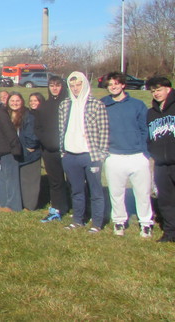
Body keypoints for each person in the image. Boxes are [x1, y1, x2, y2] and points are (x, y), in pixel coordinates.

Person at [101, 72, 154, 238]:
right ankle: (119, 221)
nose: (113, 87)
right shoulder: (103, 104)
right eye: (110, 84)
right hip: (114, 156)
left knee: (143, 192)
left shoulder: (137, 105)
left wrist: (145, 152)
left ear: (123, 85)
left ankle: (146, 223)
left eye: (116, 83)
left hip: (137, 155)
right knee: (116, 193)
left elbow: (145, 128)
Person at [58, 71, 109, 233]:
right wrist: (63, 152)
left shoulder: (96, 104)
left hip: (90, 155)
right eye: (72, 85)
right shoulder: (65, 105)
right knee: (77, 190)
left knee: (96, 191)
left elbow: (104, 131)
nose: (75, 88)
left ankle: (97, 223)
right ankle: (78, 220)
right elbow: (61, 130)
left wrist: (100, 155)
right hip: (70, 156)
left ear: (85, 84)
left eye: (78, 85)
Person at [35, 75, 69, 223]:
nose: (55, 88)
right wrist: (47, 143)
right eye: (52, 85)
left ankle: (77, 207)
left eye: (58, 85)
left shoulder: (69, 104)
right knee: (55, 182)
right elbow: (38, 128)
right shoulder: (44, 106)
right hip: (49, 150)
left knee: (74, 181)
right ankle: (57, 208)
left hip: (69, 150)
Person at [145, 76, 175, 242]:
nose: (156, 93)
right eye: (153, 91)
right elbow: (149, 137)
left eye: (159, 89)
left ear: (168, 89)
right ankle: (170, 233)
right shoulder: (151, 113)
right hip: (161, 164)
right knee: (166, 200)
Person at [8, 93, 42, 211]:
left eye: (17, 100)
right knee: (20, 179)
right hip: (17, 152)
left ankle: (30, 205)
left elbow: (32, 133)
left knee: (29, 180)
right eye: (12, 100)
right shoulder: (8, 115)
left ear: (22, 102)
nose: (14, 103)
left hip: (29, 153)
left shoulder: (28, 115)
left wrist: (29, 146)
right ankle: (20, 203)